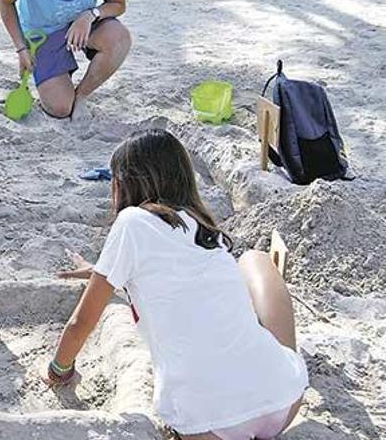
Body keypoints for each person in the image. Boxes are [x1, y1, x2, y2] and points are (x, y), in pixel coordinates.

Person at [47, 129, 308, 439]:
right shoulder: (201, 225)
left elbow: (80, 324)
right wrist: (104, 270)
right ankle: (280, 362)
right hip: (284, 402)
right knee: (255, 260)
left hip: (206, 425)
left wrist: (58, 371)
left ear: (123, 184)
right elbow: (176, 276)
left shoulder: (130, 222)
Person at [0, 0, 131, 119]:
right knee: (60, 108)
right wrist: (21, 48)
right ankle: (61, 87)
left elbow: (119, 4)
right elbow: (5, 1)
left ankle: (81, 96)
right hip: (43, 33)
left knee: (119, 37)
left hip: (83, 26)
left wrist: (90, 15)